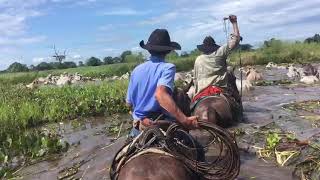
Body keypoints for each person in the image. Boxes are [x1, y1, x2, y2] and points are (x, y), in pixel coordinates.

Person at [126, 29, 199, 138]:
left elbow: (129, 103)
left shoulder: (136, 70)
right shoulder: (167, 68)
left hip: (139, 127)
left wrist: (141, 117)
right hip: (162, 125)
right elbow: (160, 94)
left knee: (125, 151)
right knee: (198, 152)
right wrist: (185, 121)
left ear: (149, 50)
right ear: (168, 51)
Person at [193, 15, 242, 119]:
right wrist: (234, 23)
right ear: (214, 47)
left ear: (203, 48)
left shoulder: (198, 59)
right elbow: (235, 40)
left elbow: (195, 80)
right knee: (238, 110)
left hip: (201, 92)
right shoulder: (219, 53)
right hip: (219, 90)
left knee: (190, 110)